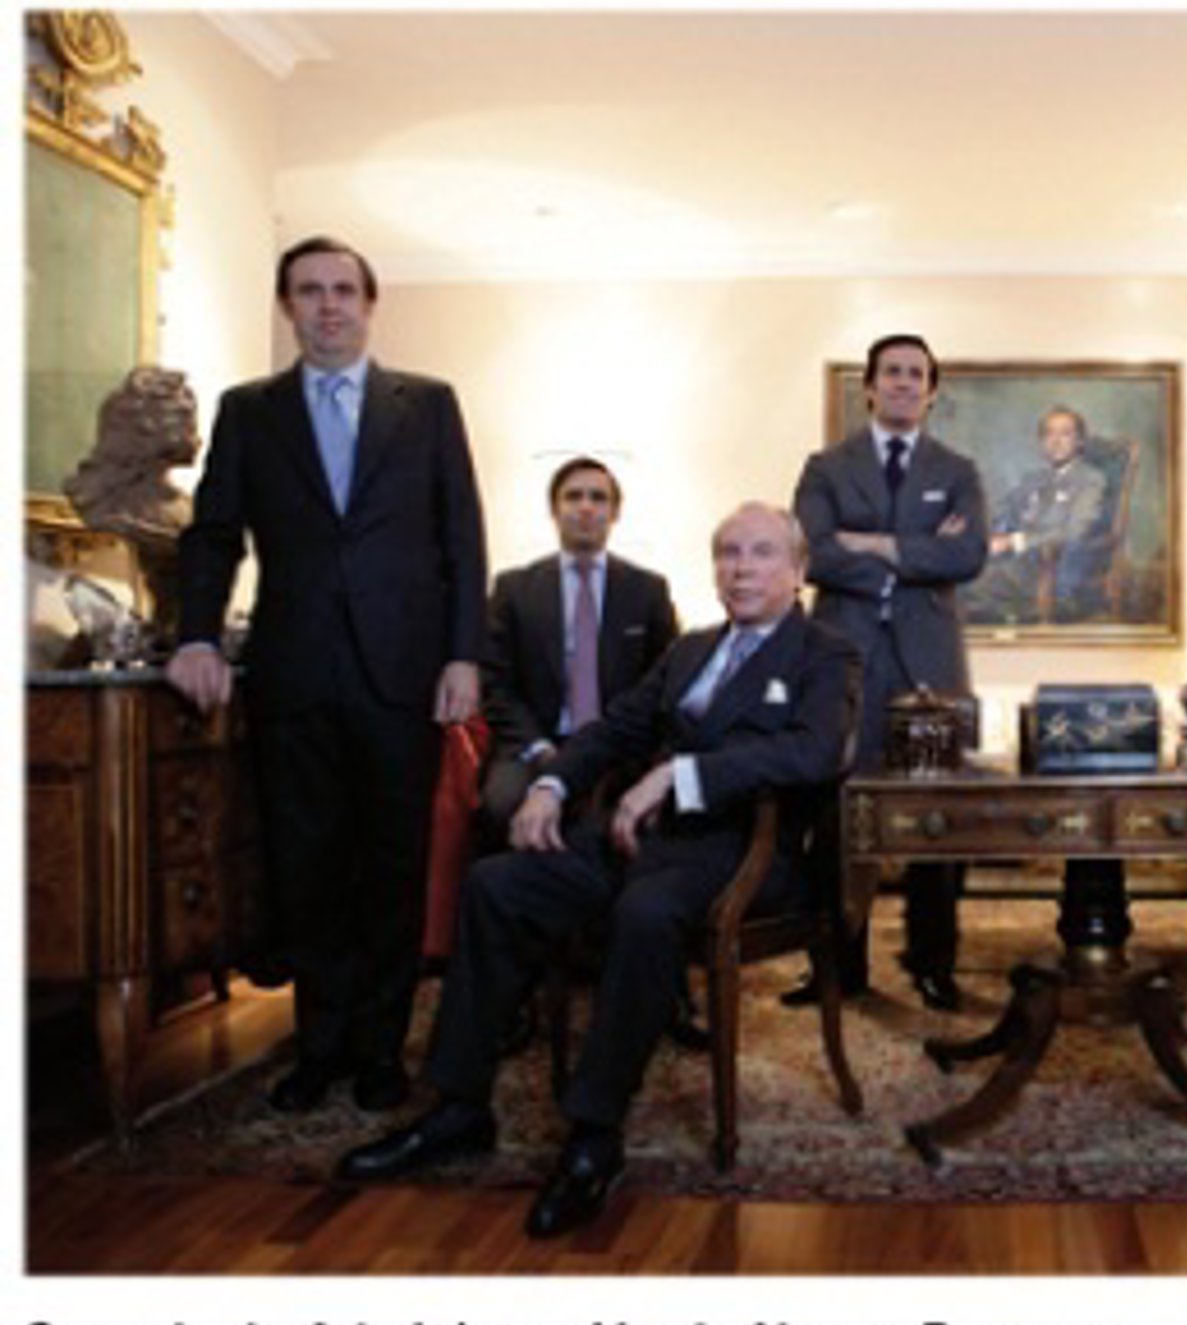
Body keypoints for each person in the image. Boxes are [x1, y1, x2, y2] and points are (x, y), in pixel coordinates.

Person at [336, 503, 861, 1238]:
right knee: (497, 884)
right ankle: (459, 1106)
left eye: (762, 553)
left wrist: (680, 775)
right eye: (728, 552)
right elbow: (614, 729)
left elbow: (814, 751)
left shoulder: (825, 653)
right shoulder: (691, 650)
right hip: (637, 836)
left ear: (798, 570)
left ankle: (593, 1136)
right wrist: (550, 786)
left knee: (643, 913)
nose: (741, 568)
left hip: (744, 851)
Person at [168, 235, 487, 1115]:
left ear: (368, 304)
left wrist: (465, 655)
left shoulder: (428, 405)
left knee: (391, 865)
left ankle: (380, 1051)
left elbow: (462, 538)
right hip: (293, 670)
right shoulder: (249, 411)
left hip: (403, 672)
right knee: (304, 866)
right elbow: (213, 535)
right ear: (288, 308)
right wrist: (196, 636)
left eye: (343, 289)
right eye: (309, 291)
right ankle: (318, 1047)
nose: (328, 305)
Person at [790, 333, 988, 1010]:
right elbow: (812, 553)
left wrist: (871, 542)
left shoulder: (957, 469)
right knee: (836, 813)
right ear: (869, 387)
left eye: (916, 374)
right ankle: (837, 966)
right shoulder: (826, 467)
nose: (904, 383)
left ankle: (933, 963)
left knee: (939, 818)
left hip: (930, 661)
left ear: (931, 391)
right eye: (892, 372)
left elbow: (969, 556)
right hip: (843, 658)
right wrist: (917, 552)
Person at [480, 456, 678, 837]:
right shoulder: (514, 589)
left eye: (598, 498)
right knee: (501, 804)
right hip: (534, 743)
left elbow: (665, 681)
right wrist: (538, 747)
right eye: (573, 497)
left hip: (619, 744)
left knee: (648, 812)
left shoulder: (647, 590)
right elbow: (495, 684)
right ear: (554, 510)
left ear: (615, 512)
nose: (586, 507)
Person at [977, 406, 1109, 622]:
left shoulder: (1090, 480)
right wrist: (979, 529)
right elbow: (1005, 513)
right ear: (1041, 443)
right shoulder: (1033, 479)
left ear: (1080, 442)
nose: (1056, 441)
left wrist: (1014, 541)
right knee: (959, 567)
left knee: (970, 580)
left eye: (1065, 434)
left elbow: (1075, 531)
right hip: (1017, 563)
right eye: (1049, 434)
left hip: (1056, 567)